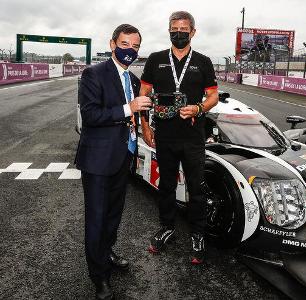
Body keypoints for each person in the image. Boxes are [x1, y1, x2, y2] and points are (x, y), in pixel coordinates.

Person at [75, 24, 152, 300]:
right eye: (124, 44)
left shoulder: (132, 81)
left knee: (113, 215)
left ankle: (106, 254)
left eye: (135, 46)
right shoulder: (93, 74)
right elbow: (91, 116)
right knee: (96, 219)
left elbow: (133, 118)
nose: (129, 50)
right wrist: (127, 109)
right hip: (97, 161)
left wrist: (143, 121)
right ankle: (99, 277)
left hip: (123, 158)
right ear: (112, 44)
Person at [139, 11, 219, 264]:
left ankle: (198, 233)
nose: (179, 33)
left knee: (196, 188)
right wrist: (146, 127)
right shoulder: (155, 59)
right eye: (175, 28)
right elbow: (143, 96)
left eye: (184, 29)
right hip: (165, 135)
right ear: (169, 30)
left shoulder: (204, 61)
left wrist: (198, 108)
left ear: (193, 32)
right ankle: (167, 227)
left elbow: (213, 97)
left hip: (194, 137)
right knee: (166, 186)